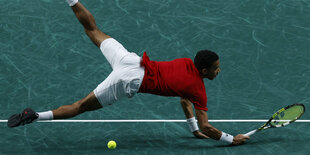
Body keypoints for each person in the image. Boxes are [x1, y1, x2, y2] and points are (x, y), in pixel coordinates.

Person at [7, 0, 249, 145]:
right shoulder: (198, 89)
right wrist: (230, 138)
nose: (220, 71)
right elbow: (207, 125)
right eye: (216, 68)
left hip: (130, 60)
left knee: (93, 29)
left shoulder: (187, 62)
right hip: (129, 80)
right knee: (80, 106)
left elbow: (185, 100)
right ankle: (35, 115)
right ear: (204, 70)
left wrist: (191, 128)